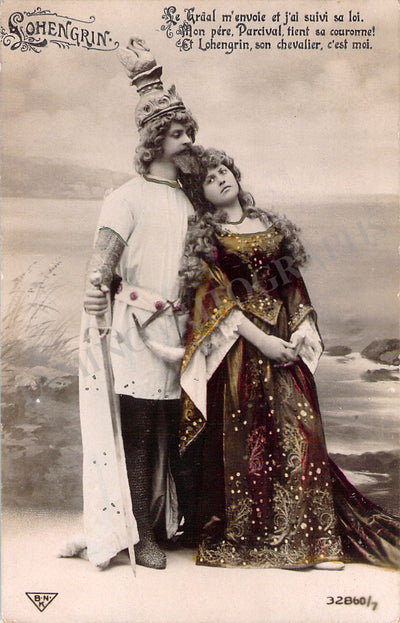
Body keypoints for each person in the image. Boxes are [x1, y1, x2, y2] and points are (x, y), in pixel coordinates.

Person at [178, 147, 400, 570]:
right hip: (242, 350)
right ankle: (266, 539)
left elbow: (292, 286)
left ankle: (318, 542)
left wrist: (299, 330)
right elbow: (215, 300)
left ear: (235, 173)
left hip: (284, 342)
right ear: (200, 194)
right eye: (209, 178)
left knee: (302, 432)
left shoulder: (270, 224)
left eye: (223, 170)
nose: (220, 179)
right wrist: (262, 341)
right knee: (250, 444)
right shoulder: (208, 237)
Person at [74, 38, 199, 571]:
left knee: (177, 426)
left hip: (182, 328)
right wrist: (95, 289)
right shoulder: (125, 197)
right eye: (177, 133)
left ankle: (173, 523)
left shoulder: (190, 199)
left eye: (188, 131)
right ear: (153, 141)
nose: (188, 139)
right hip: (134, 329)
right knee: (141, 428)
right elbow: (101, 263)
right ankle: (141, 535)